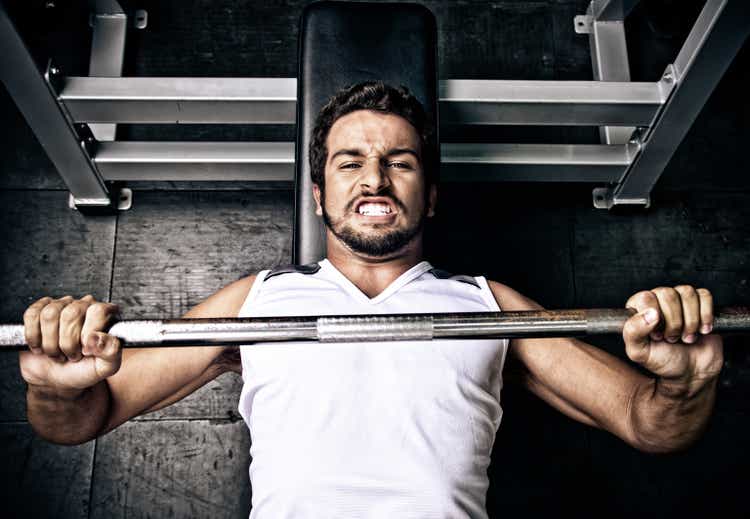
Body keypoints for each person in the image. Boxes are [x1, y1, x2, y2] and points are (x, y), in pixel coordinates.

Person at [19, 81, 723, 518]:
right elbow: (85, 416)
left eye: (401, 162)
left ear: (431, 193)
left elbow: (648, 423)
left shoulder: (489, 305)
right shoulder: (258, 302)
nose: (375, 179)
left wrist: (686, 384)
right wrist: (54, 385)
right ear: (320, 196)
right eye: (350, 162)